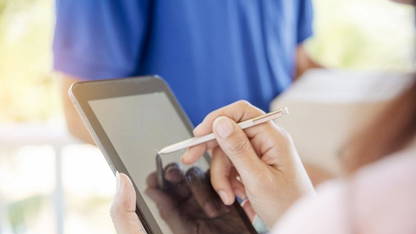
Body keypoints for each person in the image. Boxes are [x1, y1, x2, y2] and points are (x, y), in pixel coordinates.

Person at [110, 0, 416, 234]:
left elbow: (298, 65)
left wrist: (310, 213)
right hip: (217, 221)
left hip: (263, 219)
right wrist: (303, 212)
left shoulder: (382, 216)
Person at [53, 0, 320, 144]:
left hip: (289, 209)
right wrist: (201, 178)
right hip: (196, 215)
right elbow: (82, 107)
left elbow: (299, 67)